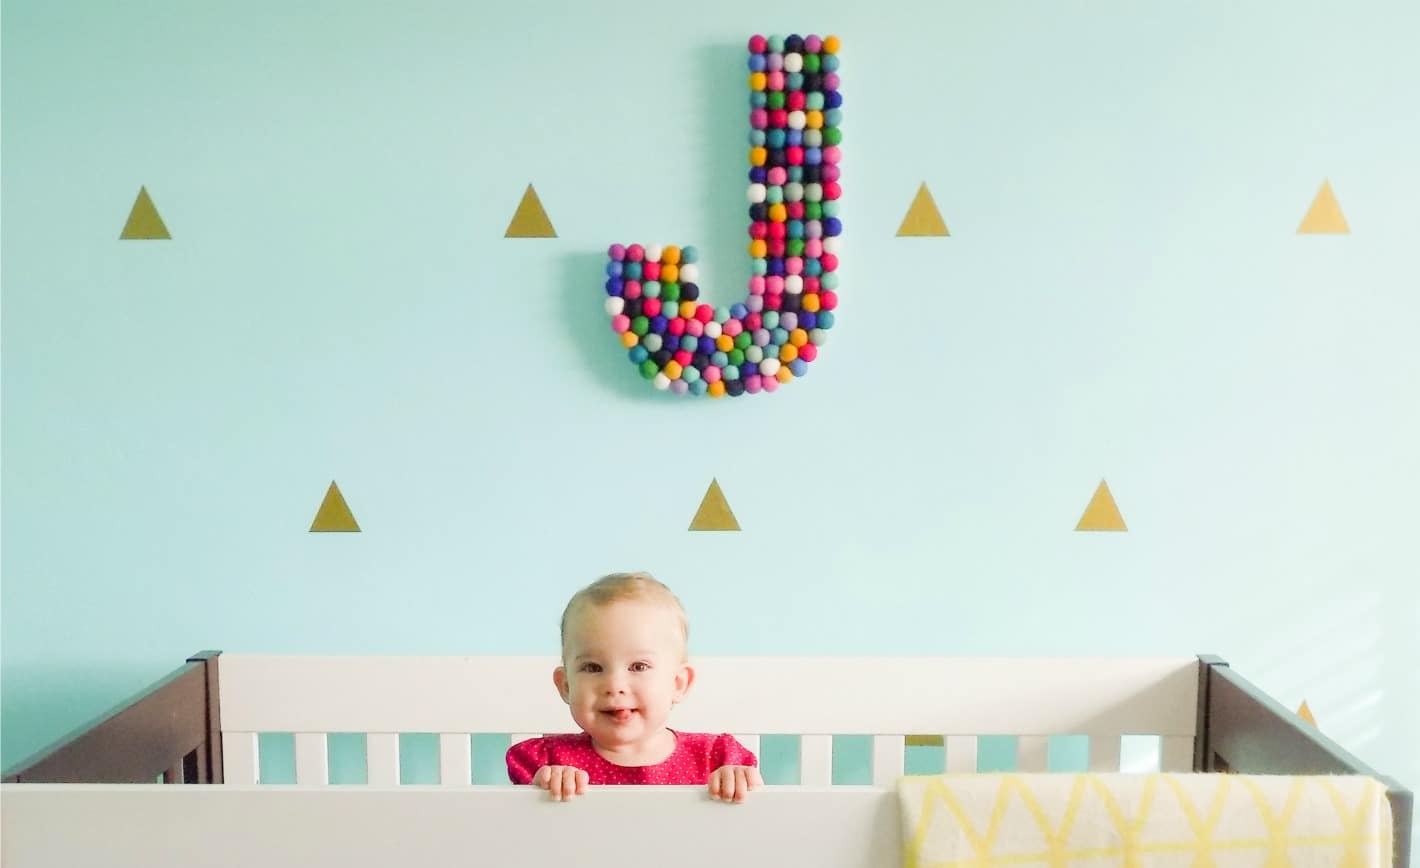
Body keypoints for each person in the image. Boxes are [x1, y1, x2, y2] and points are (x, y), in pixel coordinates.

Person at [506, 572, 763, 801]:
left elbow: (759, 819)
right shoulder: (548, 761)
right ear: (566, 685)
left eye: (638, 666)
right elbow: (520, 832)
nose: (615, 685)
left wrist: (742, 782)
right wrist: (541, 793)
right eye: (593, 667)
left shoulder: (715, 759)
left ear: (678, 683)